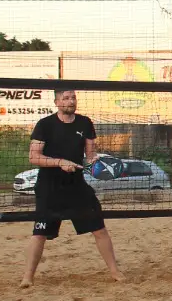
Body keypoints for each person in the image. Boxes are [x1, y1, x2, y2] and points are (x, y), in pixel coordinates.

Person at [20, 89, 124, 288]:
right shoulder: (45, 125)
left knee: (99, 229)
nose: (70, 101)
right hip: (49, 186)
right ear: (57, 102)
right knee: (39, 233)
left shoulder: (85, 123)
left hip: (76, 185)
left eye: (73, 97)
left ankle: (115, 271)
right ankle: (28, 277)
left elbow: (90, 155)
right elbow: (34, 157)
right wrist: (60, 162)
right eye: (65, 98)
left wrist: (101, 164)